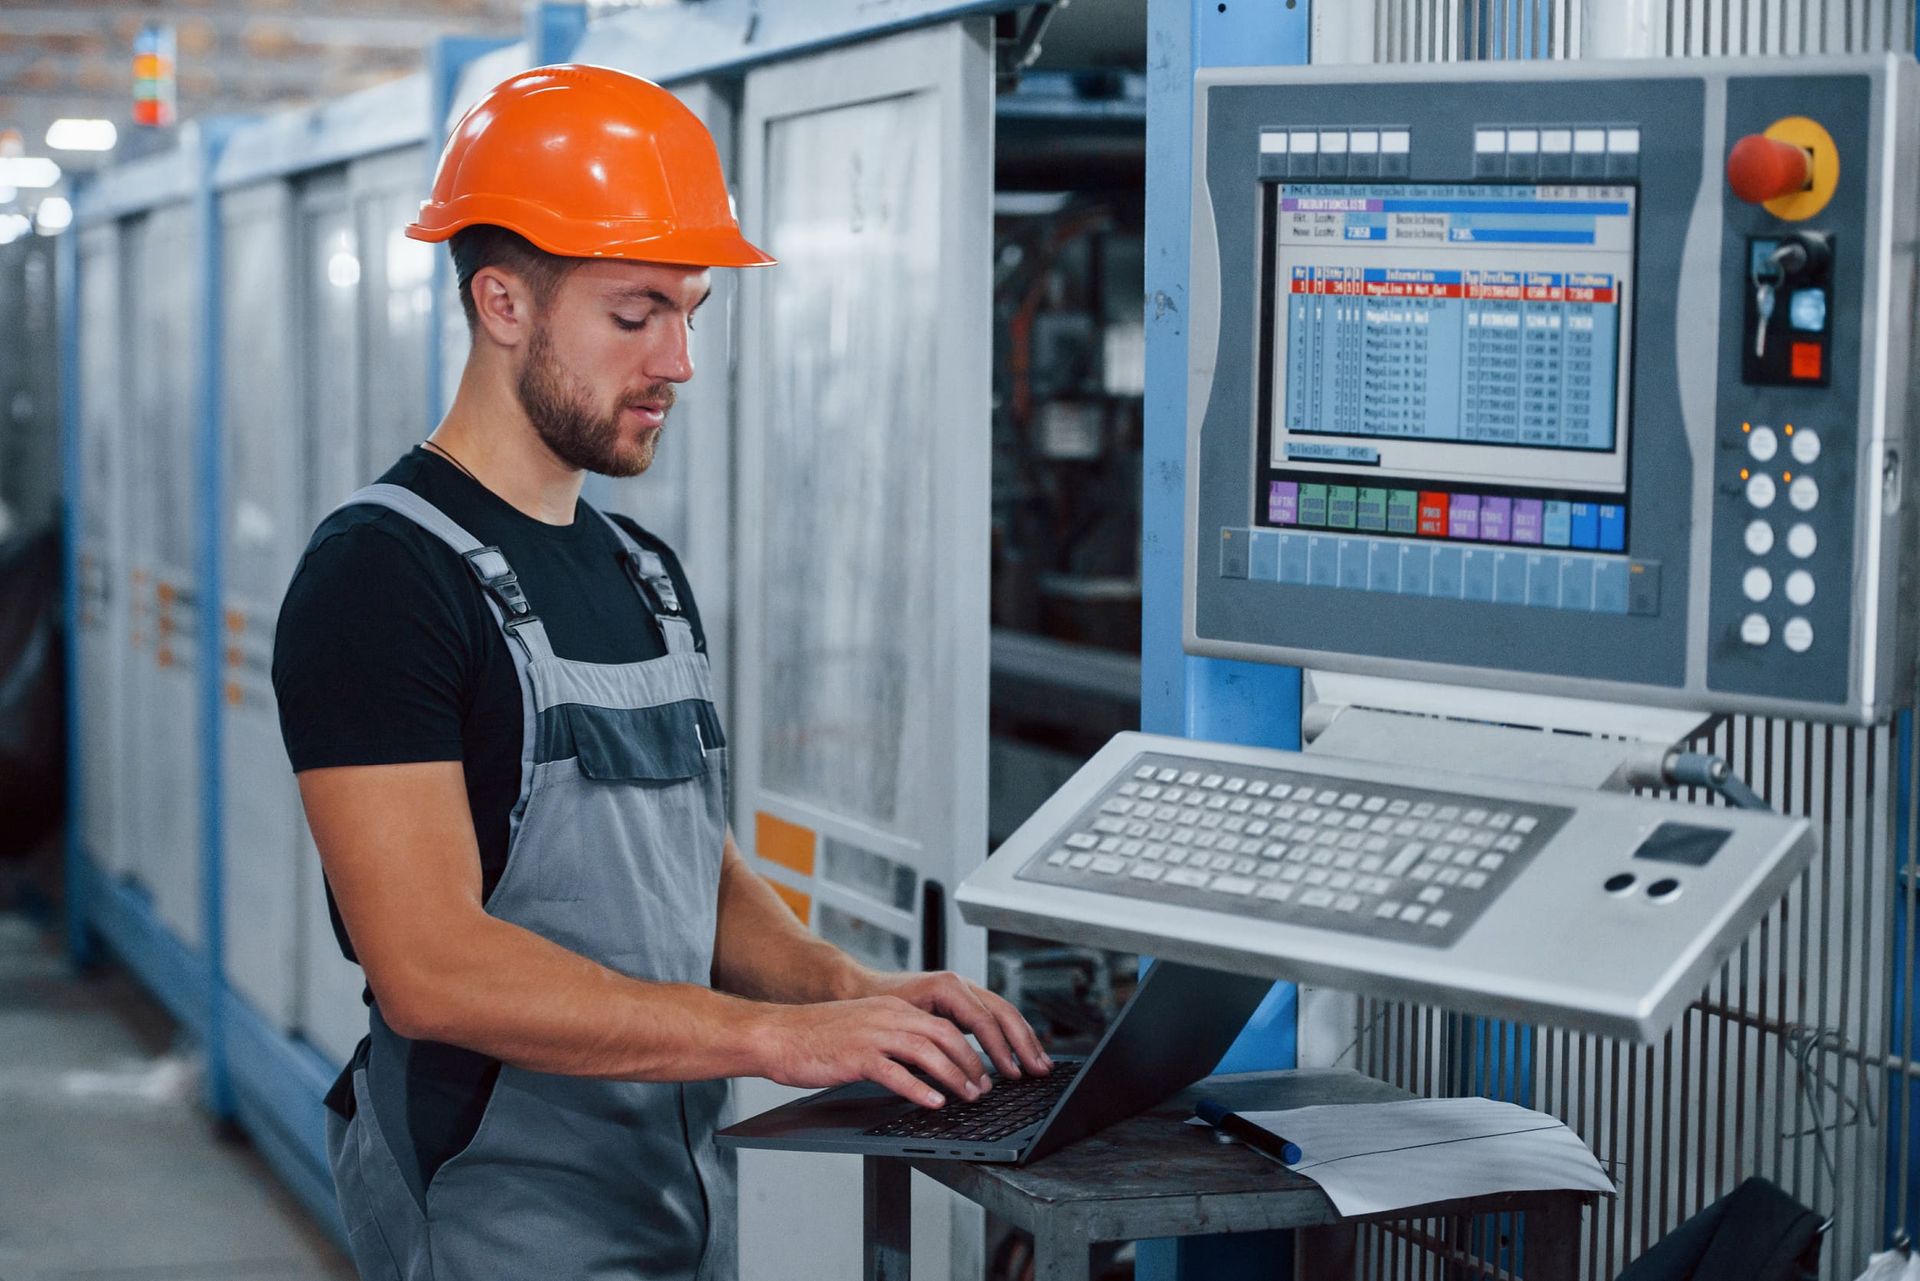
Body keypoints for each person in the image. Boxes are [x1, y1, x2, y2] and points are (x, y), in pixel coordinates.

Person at [272, 64, 1049, 1281]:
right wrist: (769, 1042)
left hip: (675, 1211)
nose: (677, 360)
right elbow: (430, 969)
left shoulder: (640, 568)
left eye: (690, 310)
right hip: (497, 1221)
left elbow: (690, 866)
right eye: (635, 314)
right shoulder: (381, 577)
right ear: (502, 303)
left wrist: (851, 994)